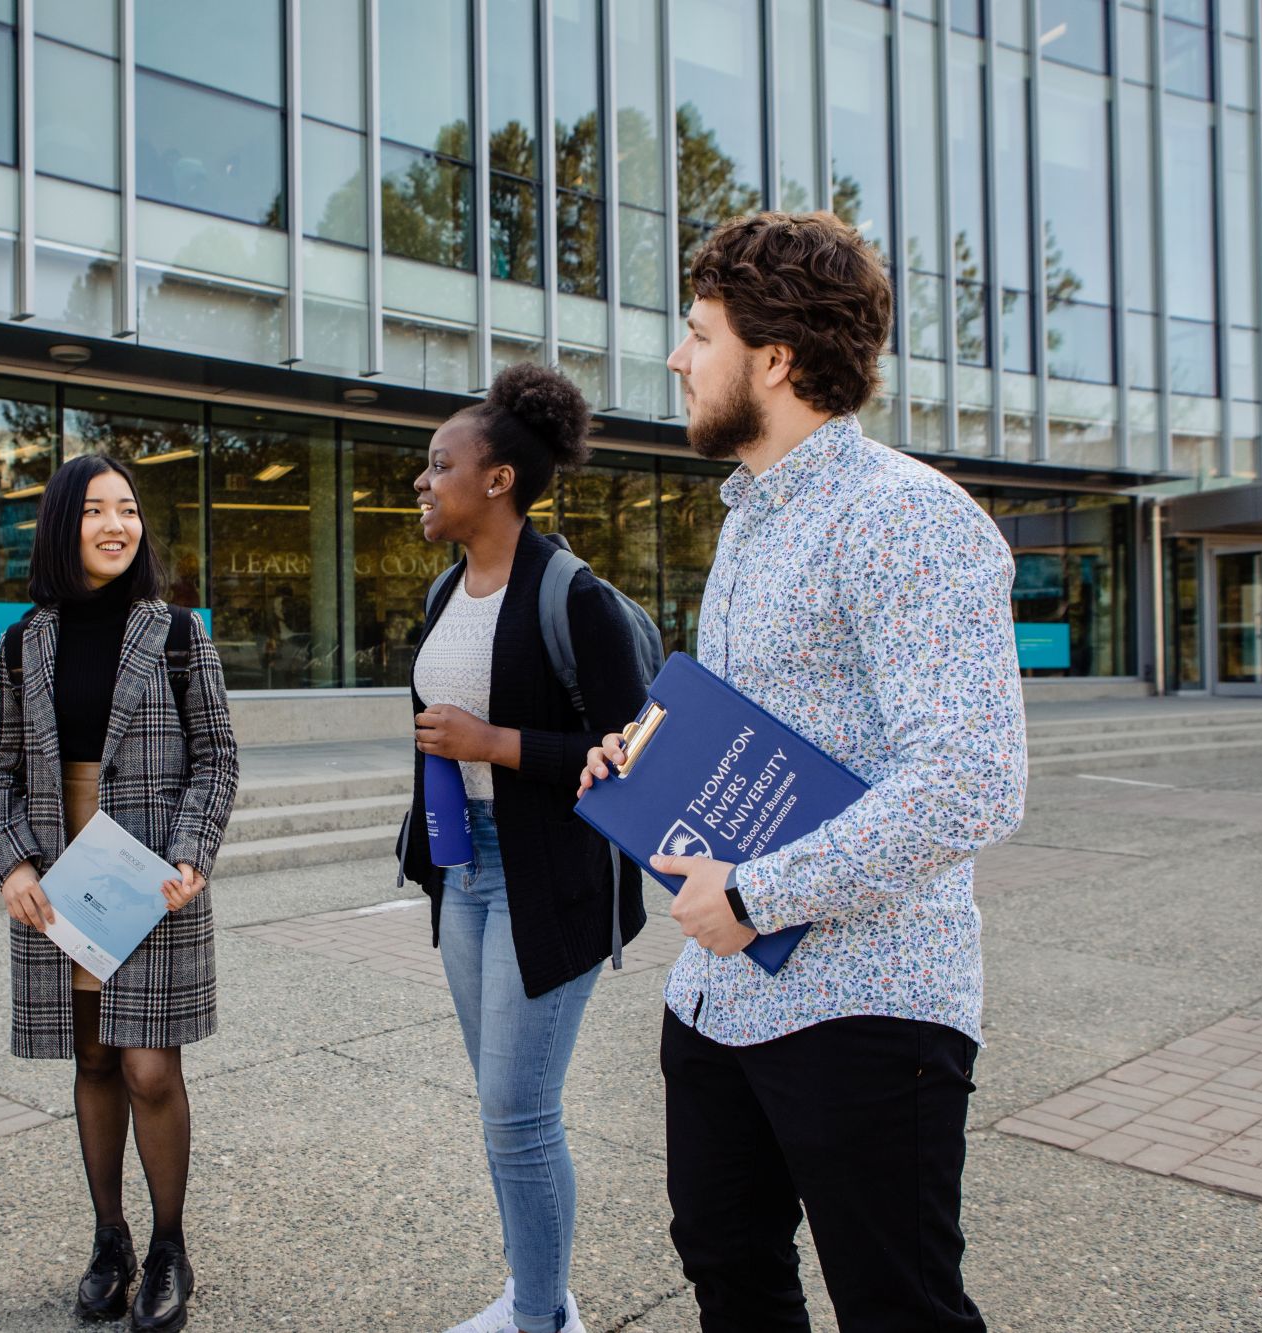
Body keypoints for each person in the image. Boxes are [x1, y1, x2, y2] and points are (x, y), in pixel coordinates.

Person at [581, 212, 1027, 1332]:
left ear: (774, 359)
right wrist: (641, 755)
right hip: (719, 998)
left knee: (899, 1307)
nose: (679, 358)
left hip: (865, 1005)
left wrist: (754, 895)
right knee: (729, 1275)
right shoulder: (748, 517)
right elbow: (766, 729)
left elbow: (972, 778)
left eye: (697, 333)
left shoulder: (908, 518)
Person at [401, 363, 650, 1333]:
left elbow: (632, 754)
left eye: (438, 464)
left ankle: (542, 1318)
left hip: (548, 880)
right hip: (464, 872)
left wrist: (493, 744)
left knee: (518, 1112)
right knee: (501, 1113)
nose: (422, 481)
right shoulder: (441, 592)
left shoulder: (570, 596)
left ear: (496, 478)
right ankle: (530, 1290)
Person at [0, 454, 240, 1332]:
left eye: (127, 509)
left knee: (149, 1066)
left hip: (152, 877)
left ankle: (169, 1246)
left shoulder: (175, 633)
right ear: (63, 524)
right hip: (62, 881)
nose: (116, 525)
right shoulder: (24, 643)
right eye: (96, 510)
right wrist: (13, 862)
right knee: (92, 1058)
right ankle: (110, 1238)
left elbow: (218, 757)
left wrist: (193, 851)